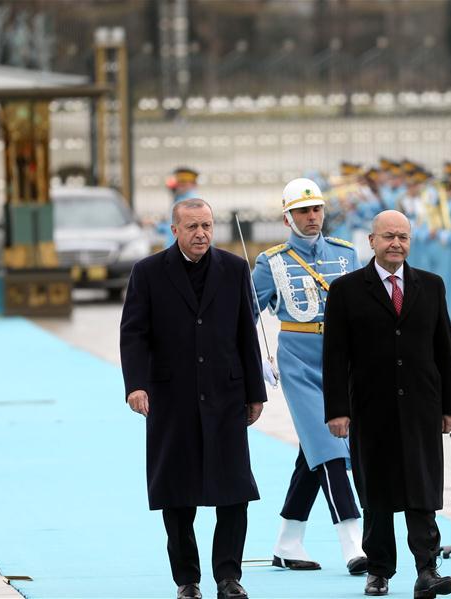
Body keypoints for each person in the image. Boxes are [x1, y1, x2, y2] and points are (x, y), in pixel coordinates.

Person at [120, 198, 265, 599]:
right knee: (176, 493)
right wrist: (136, 384)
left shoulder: (234, 269)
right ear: (175, 230)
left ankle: (228, 577)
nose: (201, 234)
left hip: (226, 394)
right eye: (192, 227)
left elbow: (245, 333)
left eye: (207, 226)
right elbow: (134, 333)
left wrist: (255, 392)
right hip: (171, 398)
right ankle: (187, 580)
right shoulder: (147, 272)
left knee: (235, 492)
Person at [322, 210, 451, 598]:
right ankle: (379, 569)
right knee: (377, 492)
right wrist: (337, 410)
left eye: (402, 237)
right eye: (388, 237)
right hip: (371, 406)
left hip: (422, 405)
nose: (395, 243)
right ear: (371, 241)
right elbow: (335, 356)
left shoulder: (430, 286)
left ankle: (427, 570)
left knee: (422, 489)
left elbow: (444, 349)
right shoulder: (347, 290)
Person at [251, 178, 368, 575]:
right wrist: (256, 358)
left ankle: (288, 541)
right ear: (288, 217)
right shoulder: (273, 261)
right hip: (299, 364)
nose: (312, 217)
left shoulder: (346, 254)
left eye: (316, 209)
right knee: (332, 449)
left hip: (342, 362)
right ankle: (354, 543)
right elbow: (243, 314)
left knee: (313, 454)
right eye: (303, 211)